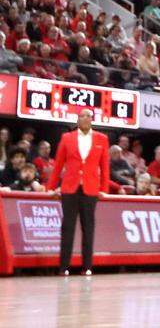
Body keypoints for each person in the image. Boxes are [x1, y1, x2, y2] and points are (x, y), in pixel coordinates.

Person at [47, 109, 110, 276]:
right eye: (82, 116)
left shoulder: (101, 139)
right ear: (77, 119)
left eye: (88, 116)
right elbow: (58, 165)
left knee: (88, 228)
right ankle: (63, 267)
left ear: (92, 119)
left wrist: (104, 189)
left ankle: (87, 266)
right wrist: (51, 187)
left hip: (90, 189)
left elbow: (104, 166)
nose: (85, 118)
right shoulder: (67, 138)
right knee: (67, 227)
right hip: (70, 188)